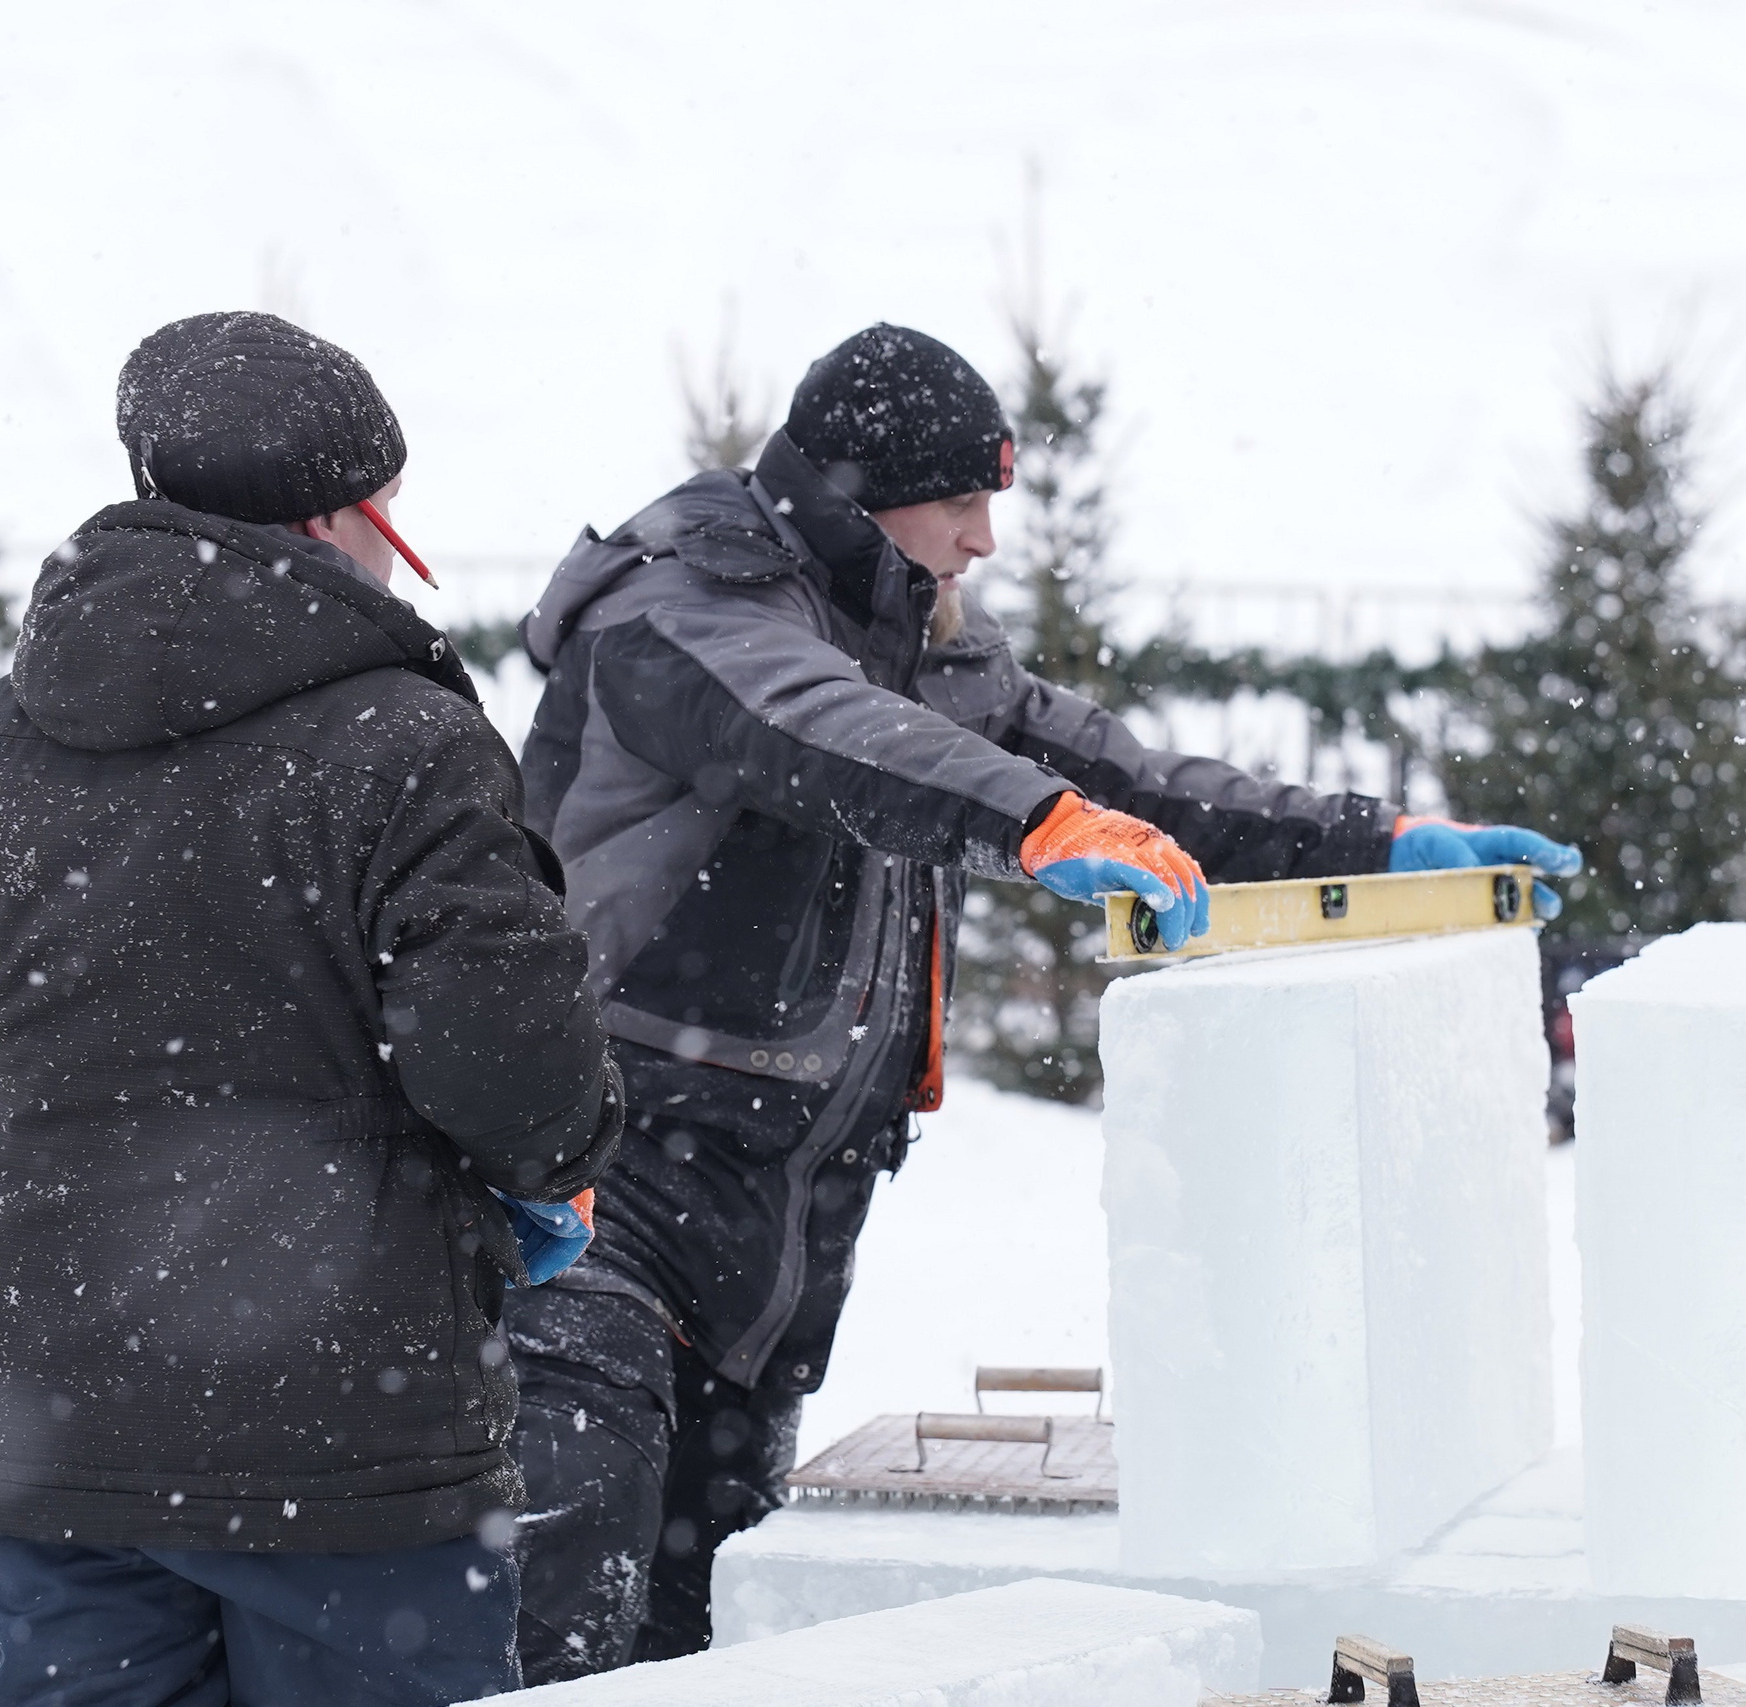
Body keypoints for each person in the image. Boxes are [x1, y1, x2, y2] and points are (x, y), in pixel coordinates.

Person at [504, 321, 1580, 1678]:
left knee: (710, 1633)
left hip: (782, 1216)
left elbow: (1137, 786)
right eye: (959, 502)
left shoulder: (928, 642)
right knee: (564, 1627)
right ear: (854, 494)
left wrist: (1381, 840)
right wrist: (1033, 820)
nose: (984, 540)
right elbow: (825, 733)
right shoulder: (680, 612)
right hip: (601, 1184)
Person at [0, 310, 623, 1706]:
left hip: (63, 1444)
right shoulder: (405, 743)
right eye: (388, 507)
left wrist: (30, 1290)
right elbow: (508, 1065)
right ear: (332, 516)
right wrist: (553, 1169)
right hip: (349, 1448)